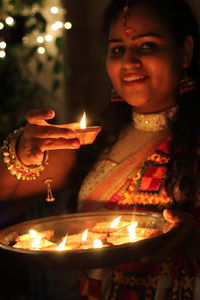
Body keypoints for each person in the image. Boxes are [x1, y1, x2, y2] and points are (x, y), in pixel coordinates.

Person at [0, 0, 200, 299]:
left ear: (184, 51)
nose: (128, 61)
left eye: (147, 46)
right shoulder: (96, 141)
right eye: (118, 49)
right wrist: (23, 150)